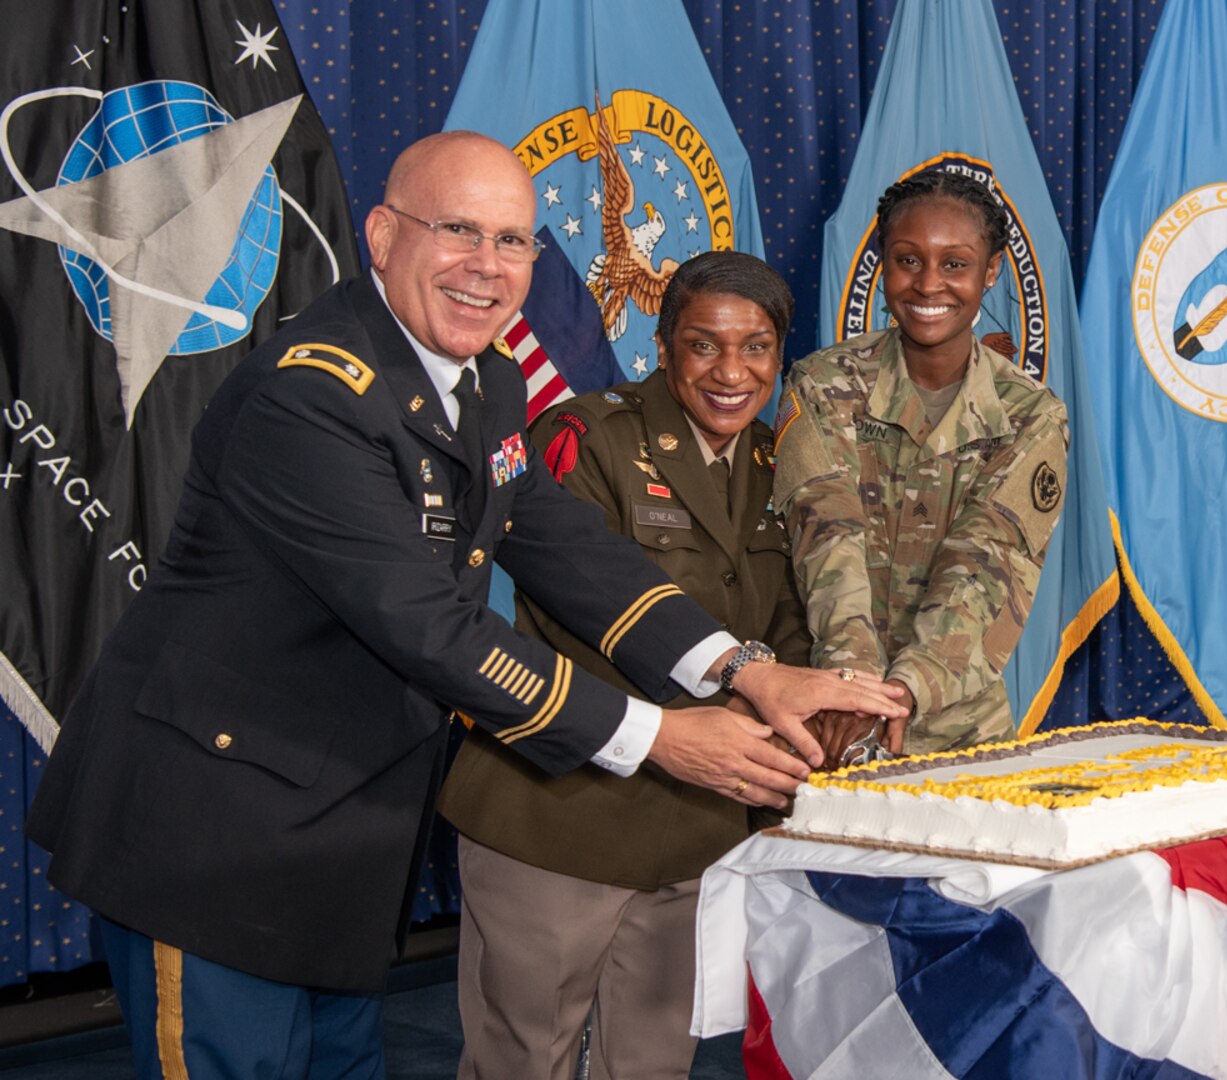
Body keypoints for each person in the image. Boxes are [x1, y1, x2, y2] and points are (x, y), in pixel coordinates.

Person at [25, 132, 904, 1079]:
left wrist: (745, 668)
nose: (487, 267)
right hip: (213, 838)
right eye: (457, 231)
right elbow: (426, 626)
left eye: (514, 240)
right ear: (381, 235)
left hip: (340, 836)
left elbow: (559, 544)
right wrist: (661, 736)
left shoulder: (487, 379)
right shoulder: (312, 398)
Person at [440, 250, 805, 1079]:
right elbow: (582, 613)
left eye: (755, 348)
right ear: (663, 343)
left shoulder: (774, 464)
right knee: (522, 1061)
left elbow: (786, 618)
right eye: (704, 344)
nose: (731, 371)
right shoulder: (587, 437)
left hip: (697, 826)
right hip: (561, 816)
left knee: (651, 1065)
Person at [774, 170, 1069, 760]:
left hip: (957, 729)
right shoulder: (821, 384)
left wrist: (904, 692)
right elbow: (827, 539)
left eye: (955, 264)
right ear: (883, 265)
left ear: (990, 273)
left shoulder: (1031, 416)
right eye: (908, 260)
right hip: (826, 715)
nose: (928, 283)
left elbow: (986, 569)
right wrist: (853, 690)